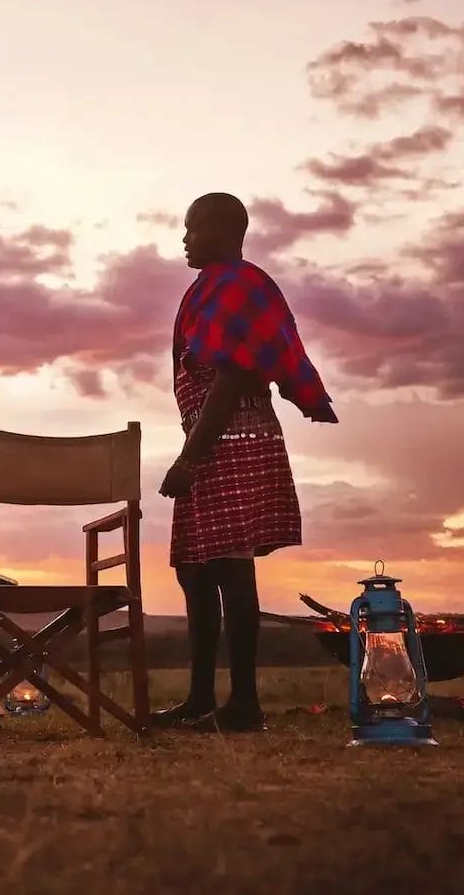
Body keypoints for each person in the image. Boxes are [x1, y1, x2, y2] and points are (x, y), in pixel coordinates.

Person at [155, 193, 339, 733]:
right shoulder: (210, 288)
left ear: (224, 229)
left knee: (231, 569)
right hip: (211, 439)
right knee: (194, 569)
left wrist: (191, 458)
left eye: (192, 228)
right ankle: (200, 699)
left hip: (233, 437)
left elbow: (232, 376)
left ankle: (244, 705)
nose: (185, 238)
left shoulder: (239, 285)